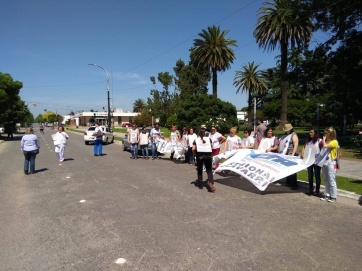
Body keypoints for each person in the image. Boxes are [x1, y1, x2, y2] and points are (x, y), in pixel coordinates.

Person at [192, 126, 216, 192]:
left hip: (200, 155)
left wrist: (195, 154)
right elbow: (211, 146)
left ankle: (200, 184)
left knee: (200, 169)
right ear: (205, 133)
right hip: (208, 154)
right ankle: (211, 183)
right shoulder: (209, 139)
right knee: (209, 170)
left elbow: (193, 148)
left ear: (198, 134)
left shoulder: (196, 140)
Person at [301, 128, 323, 196]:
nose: (310, 133)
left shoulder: (319, 141)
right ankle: (310, 189)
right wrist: (302, 153)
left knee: (317, 175)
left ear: (315, 133)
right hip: (309, 161)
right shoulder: (308, 141)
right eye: (310, 132)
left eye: (311, 132)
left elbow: (323, 150)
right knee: (310, 175)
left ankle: (317, 190)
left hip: (316, 161)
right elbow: (304, 147)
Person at [320, 127, 339, 203]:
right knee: (326, 179)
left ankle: (333, 196)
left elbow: (325, 146)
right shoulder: (328, 141)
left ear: (330, 134)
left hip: (332, 162)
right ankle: (327, 195)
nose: (325, 135)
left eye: (326, 133)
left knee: (331, 179)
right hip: (325, 162)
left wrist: (324, 140)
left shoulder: (334, 142)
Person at [278, 123, 299, 189]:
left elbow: (296, 144)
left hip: (290, 153)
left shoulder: (293, 135)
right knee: (287, 168)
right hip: (285, 153)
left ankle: (294, 184)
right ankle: (288, 182)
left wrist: (293, 154)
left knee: (292, 169)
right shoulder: (285, 135)